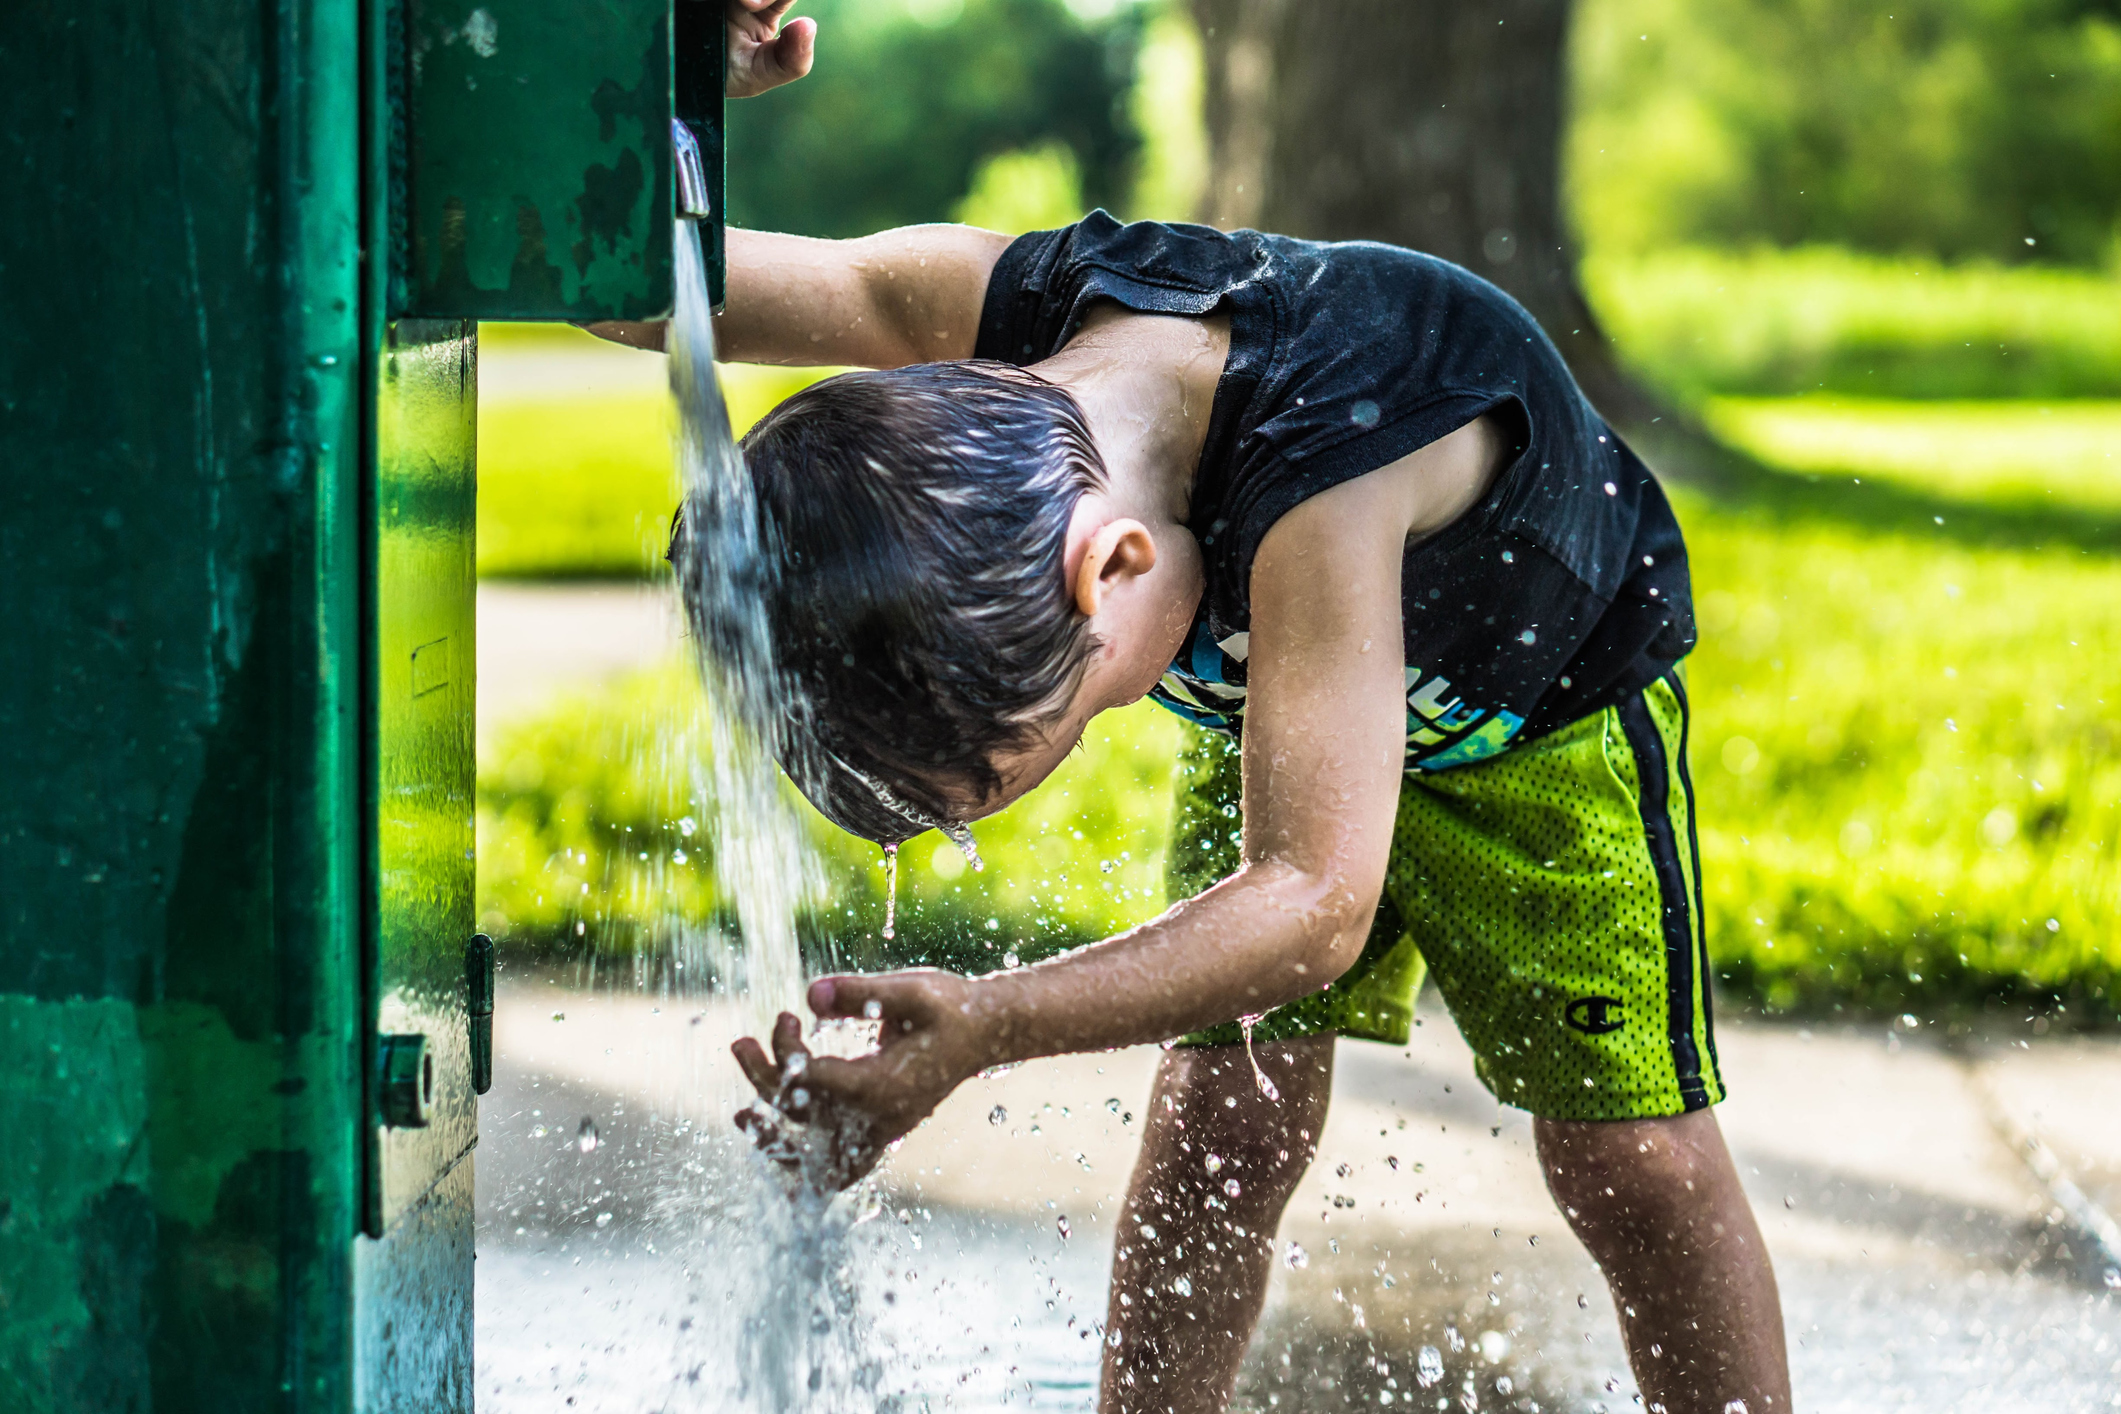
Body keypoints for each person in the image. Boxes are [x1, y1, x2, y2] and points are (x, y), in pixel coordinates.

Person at [612, 5, 1793, 1410]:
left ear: (1107, 570)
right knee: (1222, 1115)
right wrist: (671, 78)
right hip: (1285, 700)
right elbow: (640, 279)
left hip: (1532, 716)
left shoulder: (1331, 461)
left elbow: (1308, 899)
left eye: (1037, 746)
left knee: (1630, 1159)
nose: (1046, 766)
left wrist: (988, 1021)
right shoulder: (1006, 322)